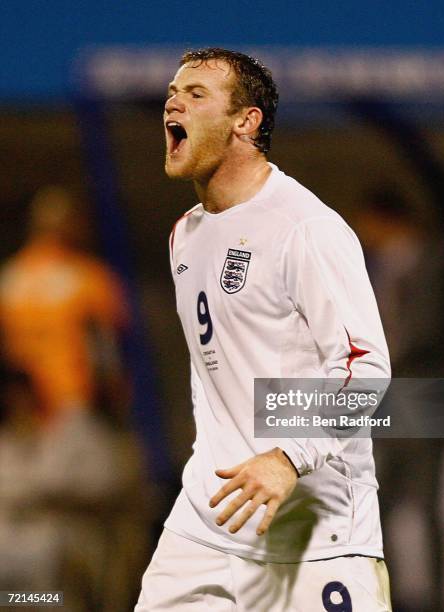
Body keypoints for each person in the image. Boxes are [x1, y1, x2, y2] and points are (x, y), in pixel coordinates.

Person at [136, 48, 392, 611]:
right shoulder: (186, 234)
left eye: (197, 94)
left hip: (313, 533)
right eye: (172, 94)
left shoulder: (306, 228)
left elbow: (365, 369)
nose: (173, 102)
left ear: (245, 122)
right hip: (207, 525)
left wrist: (287, 457)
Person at [0, 186, 129, 423]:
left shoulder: (10, 277)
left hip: (27, 408)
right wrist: (114, 400)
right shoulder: (87, 276)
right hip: (76, 399)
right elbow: (108, 346)